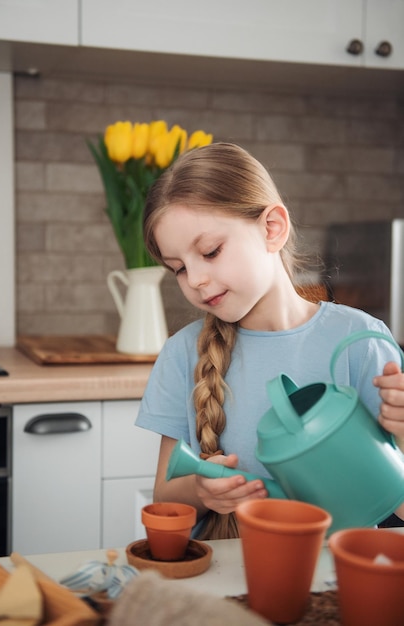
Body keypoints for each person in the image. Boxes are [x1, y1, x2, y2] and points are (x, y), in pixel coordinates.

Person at [135, 142, 404, 539]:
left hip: (337, 580)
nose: (194, 280)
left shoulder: (359, 344)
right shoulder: (182, 354)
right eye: (178, 269)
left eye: (210, 252)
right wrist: (201, 490)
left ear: (272, 228)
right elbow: (164, 497)